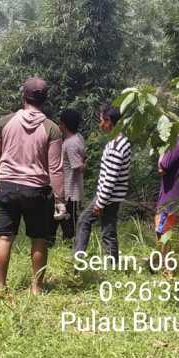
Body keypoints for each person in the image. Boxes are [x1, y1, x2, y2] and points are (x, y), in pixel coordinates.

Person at [0, 77, 64, 295]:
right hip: (36, 191)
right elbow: (56, 169)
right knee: (39, 239)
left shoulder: (5, 122)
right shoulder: (52, 129)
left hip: (8, 186)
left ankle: (1, 289)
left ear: (23, 95)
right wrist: (60, 200)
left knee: (5, 237)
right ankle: (36, 289)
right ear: (45, 100)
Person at [73, 104, 131, 263]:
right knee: (108, 230)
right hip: (112, 197)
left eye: (101, 121)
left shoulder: (116, 146)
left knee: (84, 220)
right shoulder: (121, 142)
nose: (100, 125)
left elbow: (111, 178)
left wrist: (100, 202)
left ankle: (78, 261)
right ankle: (113, 266)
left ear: (109, 121)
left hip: (108, 196)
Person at [52, 108, 86, 242]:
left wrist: (84, 164)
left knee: (69, 221)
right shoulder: (78, 138)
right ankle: (57, 243)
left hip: (70, 191)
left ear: (63, 124)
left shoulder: (70, 143)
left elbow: (78, 167)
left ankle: (71, 246)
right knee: (60, 218)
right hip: (65, 190)